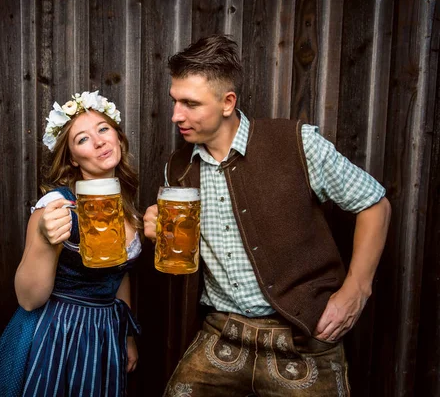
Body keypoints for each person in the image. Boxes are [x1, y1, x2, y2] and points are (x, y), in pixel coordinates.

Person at [143, 34, 391, 396]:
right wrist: (158, 233)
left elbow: (374, 204)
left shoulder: (296, 143)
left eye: (190, 103)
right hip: (221, 333)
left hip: (302, 335)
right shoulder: (177, 168)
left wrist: (356, 290)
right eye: (174, 101)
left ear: (227, 102)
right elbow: (186, 250)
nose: (175, 115)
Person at [0, 91, 142, 397]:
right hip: (59, 334)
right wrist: (42, 236)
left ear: (118, 137)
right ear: (72, 159)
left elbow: (118, 274)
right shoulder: (57, 206)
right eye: (82, 139)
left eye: (103, 129)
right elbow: (28, 299)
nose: (98, 141)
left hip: (105, 332)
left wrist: (127, 336)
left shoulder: (127, 207)